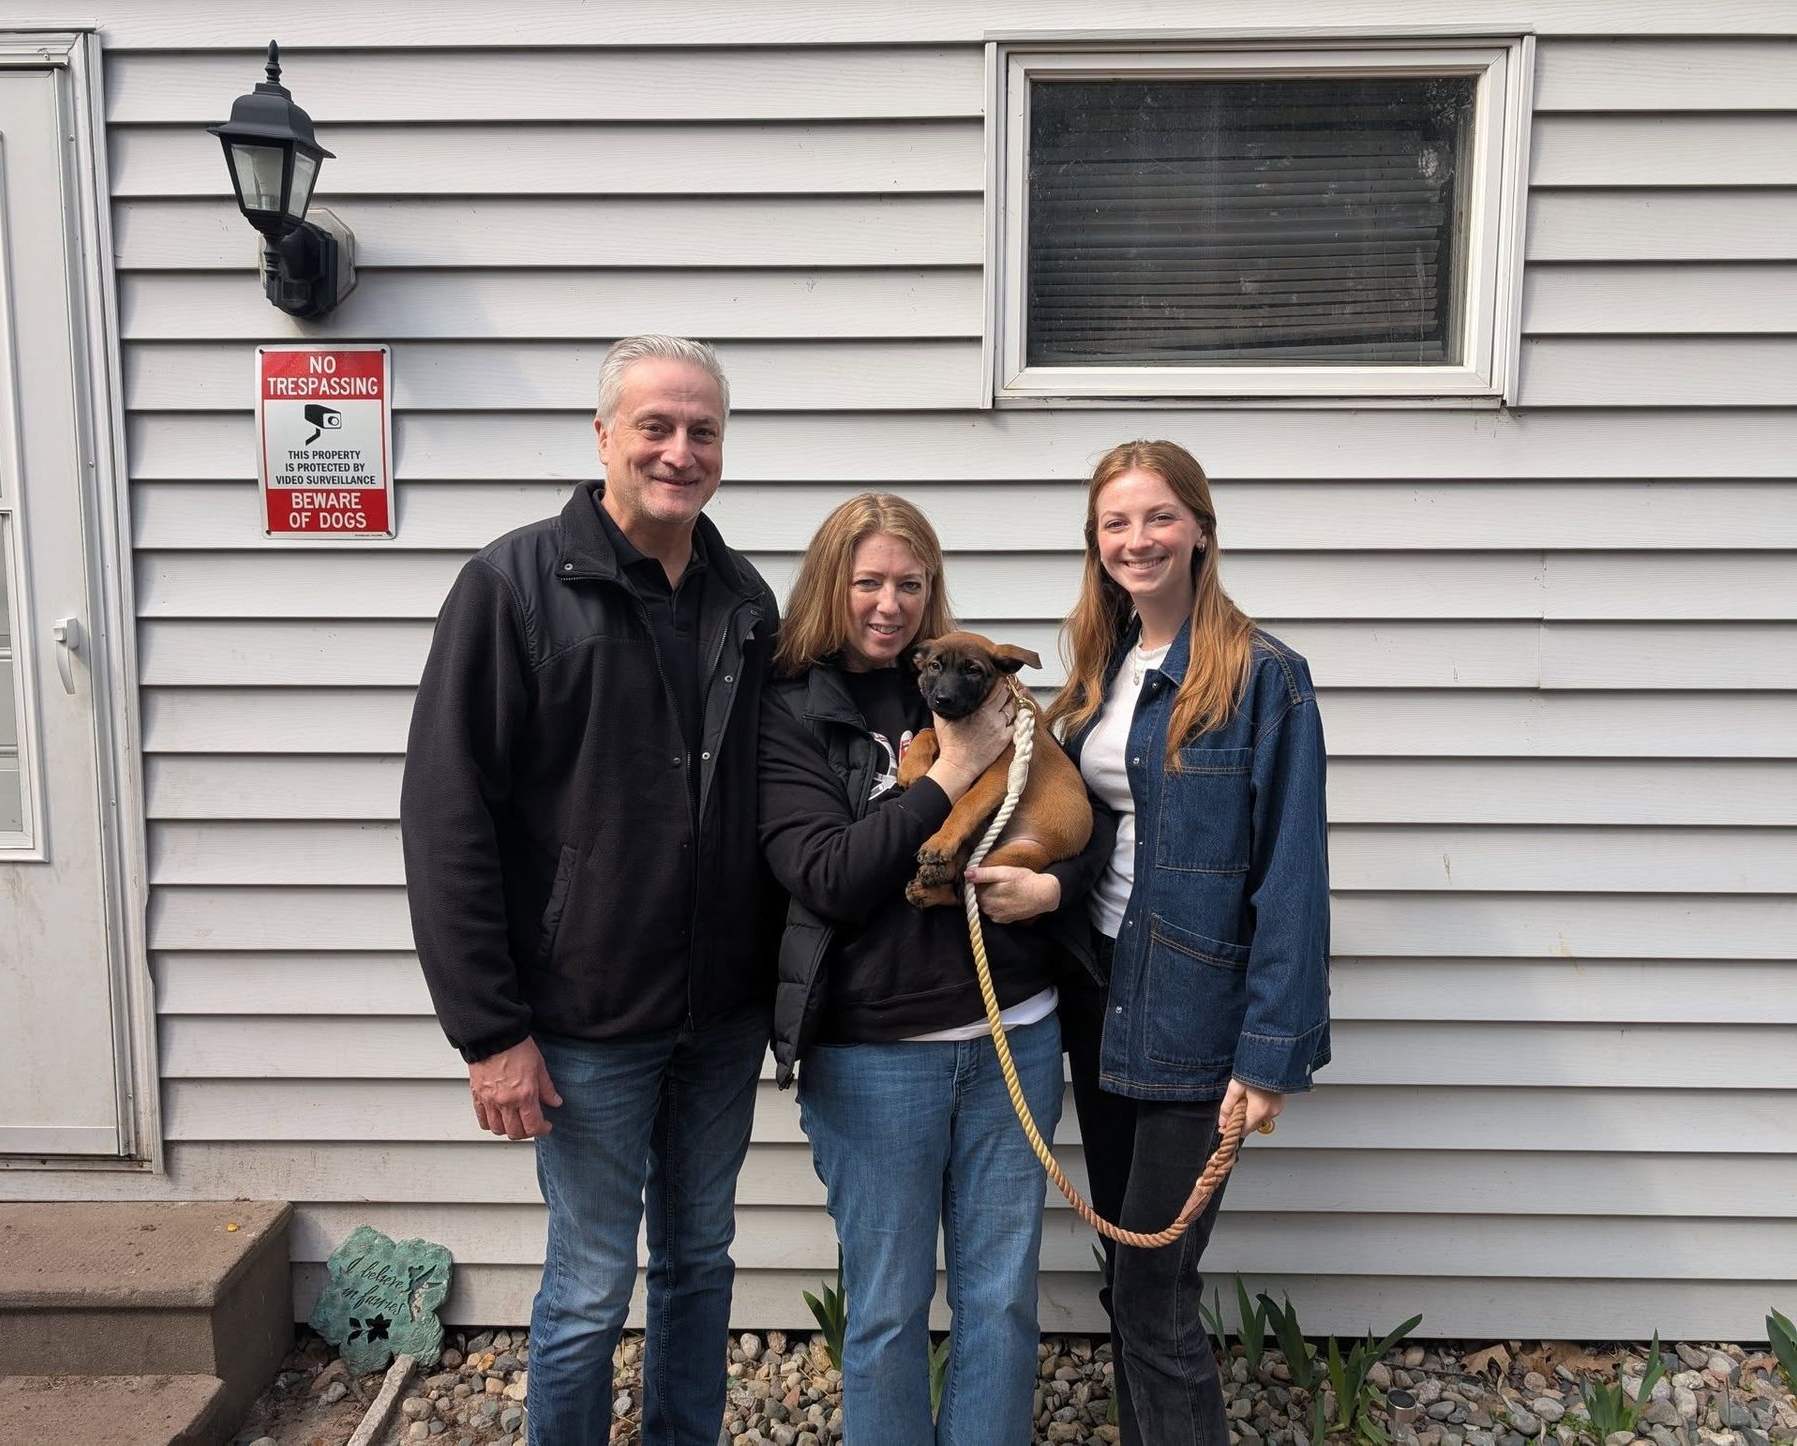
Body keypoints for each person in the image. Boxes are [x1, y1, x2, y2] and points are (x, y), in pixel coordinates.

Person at [400, 335, 780, 1446]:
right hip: (583, 1022)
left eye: (701, 430)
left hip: (717, 1017)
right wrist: (489, 1030)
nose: (679, 449)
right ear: (604, 435)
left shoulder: (741, 598)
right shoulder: (513, 586)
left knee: (701, 1262)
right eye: (655, 426)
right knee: (588, 1285)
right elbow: (445, 814)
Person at [758, 493, 1111, 1446]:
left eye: (909, 584)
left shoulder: (981, 680)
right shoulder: (790, 712)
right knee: (885, 1308)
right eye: (867, 581)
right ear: (832, 583)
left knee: (1000, 1300)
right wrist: (953, 775)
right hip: (876, 1055)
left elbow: (1077, 818)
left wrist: (1055, 890)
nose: (888, 602)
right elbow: (827, 875)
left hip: (1013, 1033)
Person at [1044, 439, 1332, 1446]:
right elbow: (1085, 830)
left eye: (1158, 517)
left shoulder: (1265, 679)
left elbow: (1291, 882)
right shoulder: (1100, 669)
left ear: (1200, 528)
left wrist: (1269, 1055)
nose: (1137, 539)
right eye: (1115, 522)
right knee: (1130, 1279)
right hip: (1101, 995)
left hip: (1197, 1020)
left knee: (1156, 1290)